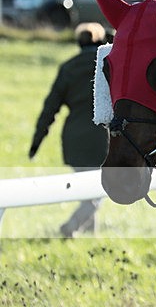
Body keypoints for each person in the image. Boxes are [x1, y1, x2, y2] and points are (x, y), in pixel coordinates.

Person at [29, 22, 109, 237]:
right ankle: (71, 227)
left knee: (89, 189)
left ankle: (89, 236)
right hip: (104, 137)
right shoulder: (109, 65)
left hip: (75, 139)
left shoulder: (69, 68)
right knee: (98, 190)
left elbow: (49, 109)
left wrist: (36, 143)